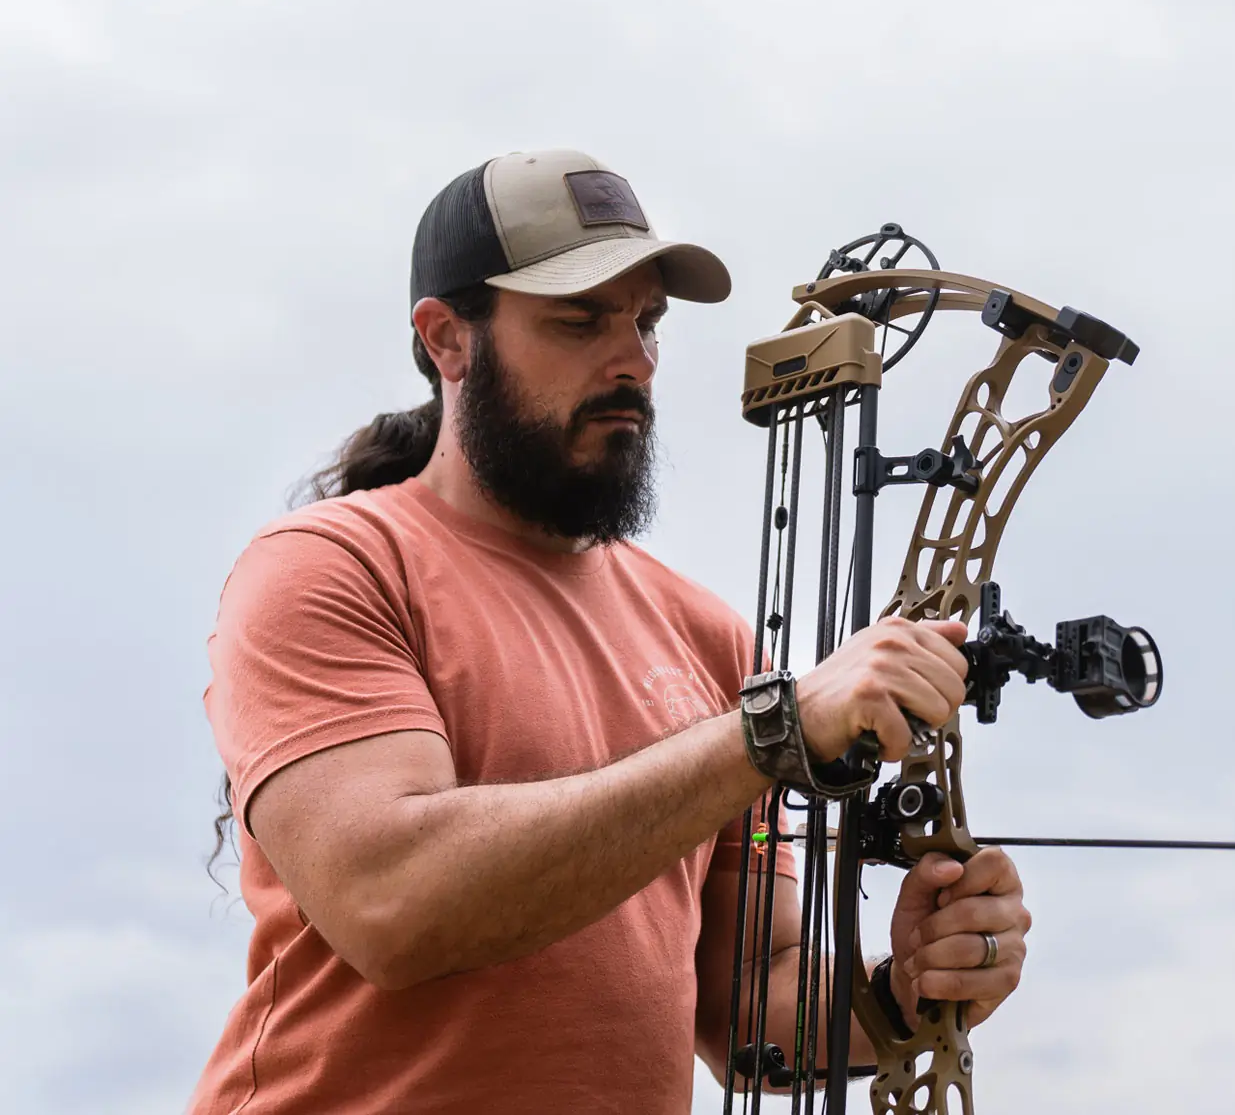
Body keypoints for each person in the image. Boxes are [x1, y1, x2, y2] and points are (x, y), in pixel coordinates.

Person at [191, 150, 1031, 1113]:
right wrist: (775, 732)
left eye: (645, 322)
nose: (630, 358)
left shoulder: (711, 638)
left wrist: (903, 985)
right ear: (446, 339)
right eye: (579, 319)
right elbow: (392, 900)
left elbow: (746, 1003)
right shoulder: (330, 566)